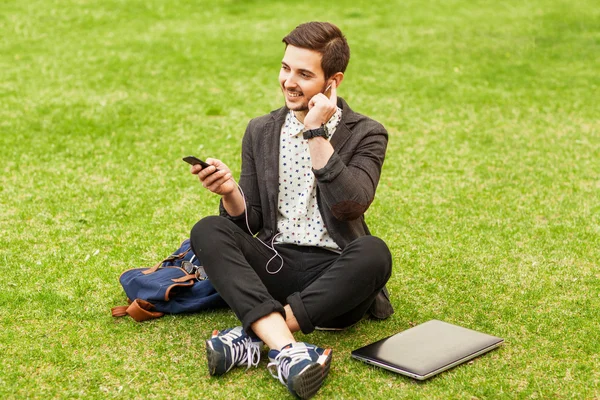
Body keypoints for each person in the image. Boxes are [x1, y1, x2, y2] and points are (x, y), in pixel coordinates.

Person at [189, 21, 393, 399]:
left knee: (375, 253)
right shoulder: (261, 130)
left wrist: (316, 132)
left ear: (333, 82)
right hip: (274, 267)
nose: (288, 81)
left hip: (336, 281)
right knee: (207, 230)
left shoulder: (367, 133)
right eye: (285, 68)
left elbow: (351, 205)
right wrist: (231, 192)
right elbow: (249, 223)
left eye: (303, 73)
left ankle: (255, 334)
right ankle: (289, 351)